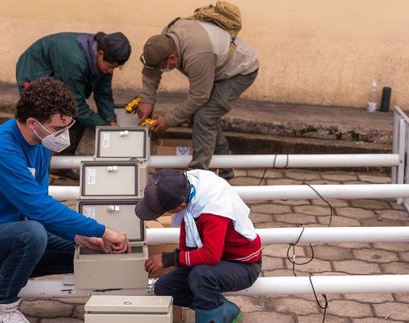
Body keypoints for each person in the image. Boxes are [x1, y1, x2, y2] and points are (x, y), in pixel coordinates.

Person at [0, 77, 131, 323]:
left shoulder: (41, 144)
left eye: (67, 126)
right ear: (33, 123)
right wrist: (103, 229)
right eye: (57, 128)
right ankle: (0, 309)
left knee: (82, 252)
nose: (63, 135)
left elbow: (39, 204)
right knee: (32, 234)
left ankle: (110, 300)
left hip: (8, 238)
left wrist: (80, 236)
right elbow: (38, 208)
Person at [137, 17, 259, 180]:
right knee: (205, 117)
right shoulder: (164, 40)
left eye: (163, 67)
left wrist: (168, 120)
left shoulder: (198, 54)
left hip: (240, 71)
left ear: (172, 58)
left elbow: (199, 97)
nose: (162, 70)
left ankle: (196, 178)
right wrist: (147, 100)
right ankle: (224, 170)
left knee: (204, 116)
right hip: (216, 66)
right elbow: (152, 71)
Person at [136, 169, 262, 323]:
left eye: (165, 211)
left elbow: (211, 255)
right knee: (164, 288)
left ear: (181, 205)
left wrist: (170, 259)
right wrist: (180, 263)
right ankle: (224, 309)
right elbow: (187, 235)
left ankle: (210, 319)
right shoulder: (186, 187)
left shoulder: (213, 209)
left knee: (201, 276)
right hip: (214, 262)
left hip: (243, 265)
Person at [16, 31, 132, 179]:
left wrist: (111, 122)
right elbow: (77, 105)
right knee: (45, 117)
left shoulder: (104, 57)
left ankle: (61, 164)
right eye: (109, 66)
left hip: (61, 74)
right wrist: (103, 128)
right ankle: (33, 168)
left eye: (114, 68)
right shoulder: (74, 60)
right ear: (100, 54)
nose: (110, 71)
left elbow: (103, 94)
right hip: (35, 71)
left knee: (76, 117)